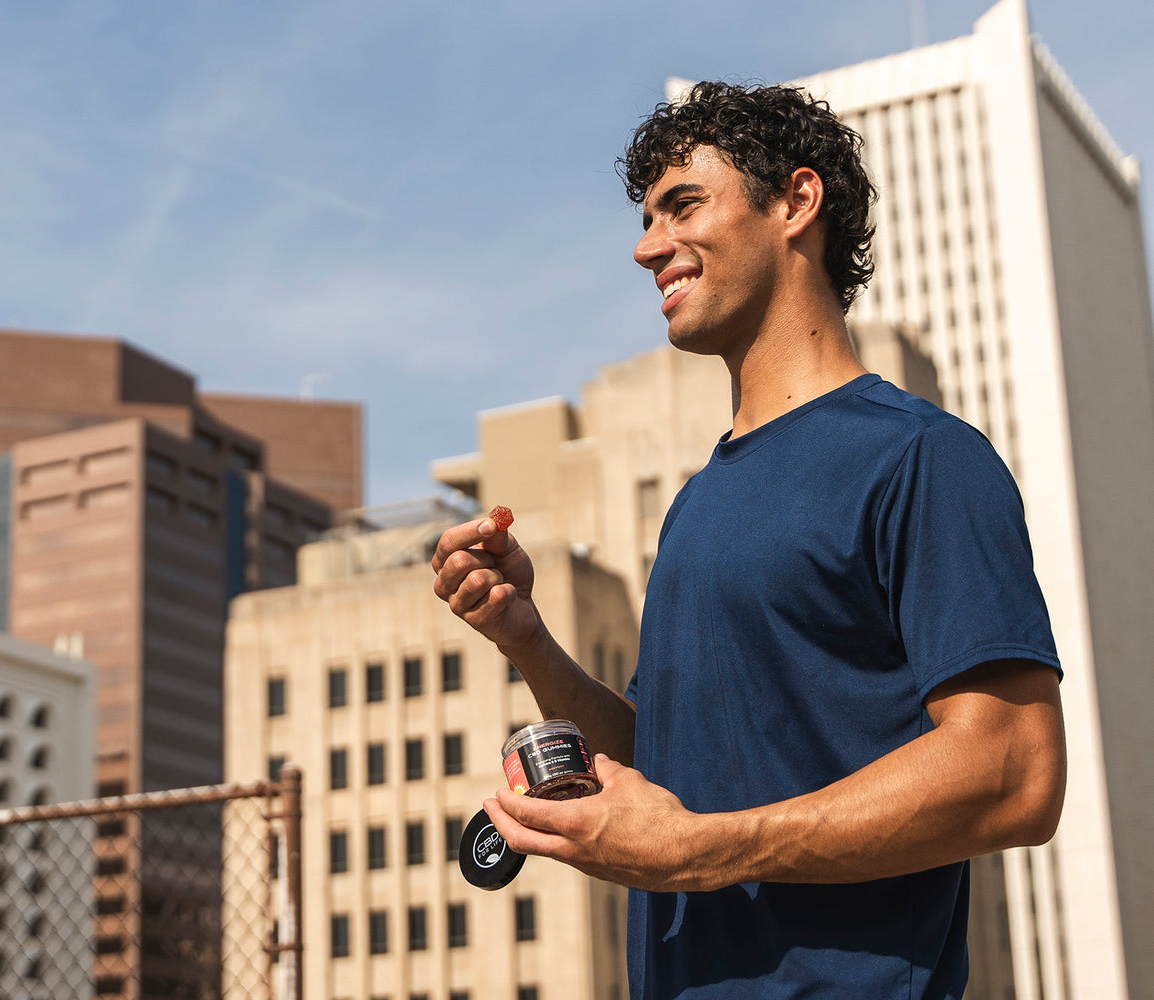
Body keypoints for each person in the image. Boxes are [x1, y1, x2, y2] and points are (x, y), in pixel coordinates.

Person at [431, 81, 1065, 1000]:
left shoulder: (921, 459)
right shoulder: (699, 503)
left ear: (796, 203)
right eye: (648, 219)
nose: (648, 247)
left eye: (683, 205)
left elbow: (1014, 771)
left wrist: (703, 851)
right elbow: (668, 765)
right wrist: (525, 636)